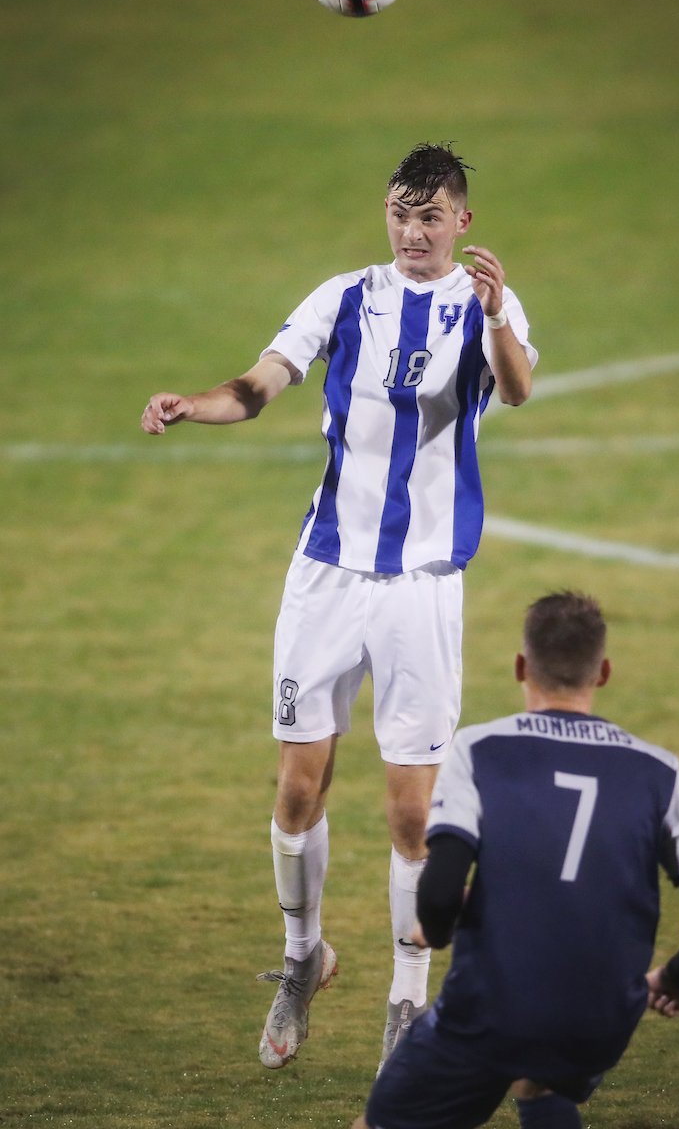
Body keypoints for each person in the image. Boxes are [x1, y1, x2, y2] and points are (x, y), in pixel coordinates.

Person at [141, 144, 538, 1070]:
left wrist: (495, 322)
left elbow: (516, 390)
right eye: (400, 214)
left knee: (411, 814)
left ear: (463, 222)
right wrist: (194, 405)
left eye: (431, 216)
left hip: (422, 586)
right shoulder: (345, 295)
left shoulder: (489, 303)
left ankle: (408, 1002)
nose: (412, 232)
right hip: (325, 574)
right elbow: (262, 383)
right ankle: (302, 957)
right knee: (295, 789)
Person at [355, 591, 679, 1129]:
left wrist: (435, 930)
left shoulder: (479, 750)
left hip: (492, 1006)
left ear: (520, 666)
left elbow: (439, 890)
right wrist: (676, 978)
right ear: (602, 672)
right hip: (603, 1014)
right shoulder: (658, 772)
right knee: (542, 1082)